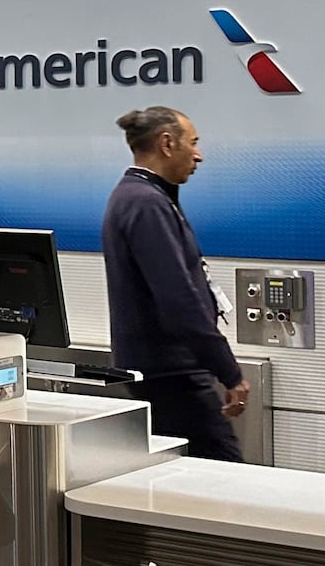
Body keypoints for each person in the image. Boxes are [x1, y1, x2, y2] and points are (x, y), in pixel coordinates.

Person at [102, 106, 249, 462]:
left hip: (164, 372)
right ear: (167, 143)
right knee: (223, 480)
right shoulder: (146, 204)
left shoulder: (139, 197)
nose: (198, 155)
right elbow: (179, 300)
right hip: (173, 376)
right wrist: (229, 373)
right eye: (193, 143)